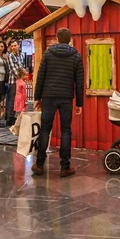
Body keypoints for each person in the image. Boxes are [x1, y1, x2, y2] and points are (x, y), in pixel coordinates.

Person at [32, 28, 84, 178]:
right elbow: (79, 82)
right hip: (66, 98)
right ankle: (64, 167)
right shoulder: (76, 56)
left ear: (56, 38)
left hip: (48, 97)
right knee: (66, 130)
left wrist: (37, 97)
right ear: (70, 39)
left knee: (45, 130)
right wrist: (79, 103)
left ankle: (40, 165)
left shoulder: (49, 53)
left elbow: (40, 75)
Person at [5, 40, 24, 126]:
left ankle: (12, 116)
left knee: (16, 99)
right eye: (12, 46)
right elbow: (14, 69)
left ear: (18, 46)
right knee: (12, 99)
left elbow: (21, 68)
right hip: (13, 81)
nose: (13, 47)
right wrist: (21, 77)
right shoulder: (11, 56)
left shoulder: (19, 56)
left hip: (19, 81)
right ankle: (10, 118)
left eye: (15, 45)